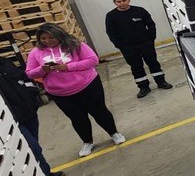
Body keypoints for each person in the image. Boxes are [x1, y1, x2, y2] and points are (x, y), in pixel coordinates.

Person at [25, 23, 125, 157]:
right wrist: (42, 69)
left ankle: (114, 133)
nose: (47, 41)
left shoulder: (75, 45)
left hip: (88, 86)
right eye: (43, 38)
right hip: (60, 94)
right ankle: (87, 142)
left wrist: (68, 67)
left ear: (59, 35)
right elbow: (30, 73)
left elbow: (92, 60)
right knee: (77, 118)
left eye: (51, 38)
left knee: (100, 111)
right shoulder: (35, 53)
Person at [0, 56, 64, 176]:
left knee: (34, 148)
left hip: (28, 113)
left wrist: (32, 96)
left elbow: (24, 78)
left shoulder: (5, 62)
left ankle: (43, 173)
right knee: (33, 149)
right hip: (12, 120)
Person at [105, 0, 173, 98]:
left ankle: (161, 82)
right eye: (119, 2)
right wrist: (120, 46)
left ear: (129, 0)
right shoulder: (111, 16)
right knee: (136, 67)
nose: (122, 3)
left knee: (153, 63)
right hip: (128, 48)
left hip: (146, 44)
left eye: (124, 0)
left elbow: (151, 25)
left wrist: (151, 39)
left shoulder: (139, 11)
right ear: (114, 3)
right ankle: (143, 87)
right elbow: (111, 33)